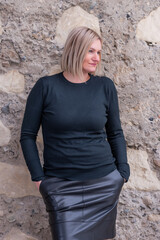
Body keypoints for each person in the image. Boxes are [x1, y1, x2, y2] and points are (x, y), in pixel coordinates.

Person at [20, 26, 130, 240]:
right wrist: (39, 179)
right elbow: (27, 136)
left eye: (99, 52)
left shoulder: (105, 87)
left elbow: (115, 133)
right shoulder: (46, 87)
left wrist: (122, 173)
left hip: (104, 183)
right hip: (60, 186)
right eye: (91, 51)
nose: (96, 58)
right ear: (75, 49)